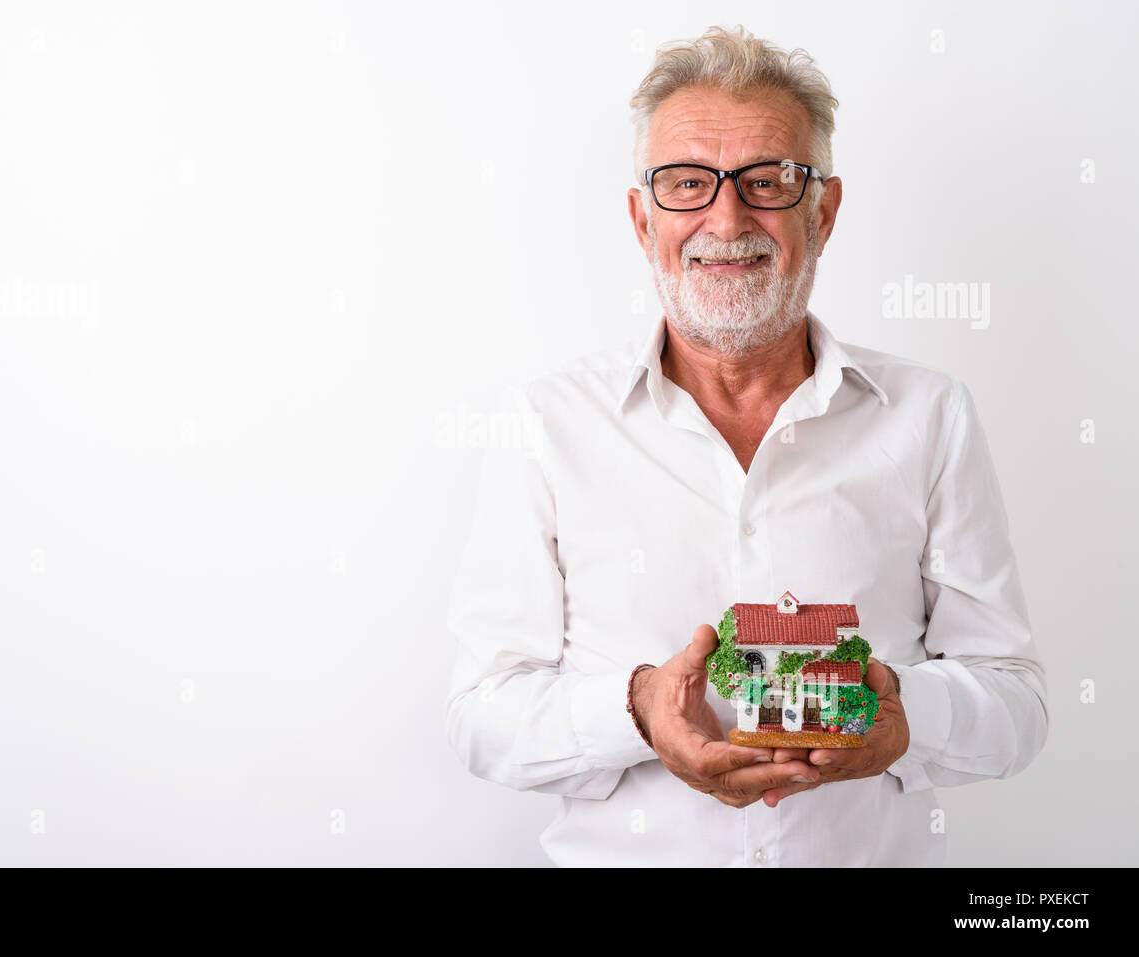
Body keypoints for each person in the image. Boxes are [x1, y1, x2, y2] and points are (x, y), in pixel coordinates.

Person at [443, 25, 1047, 866]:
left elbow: (1016, 705)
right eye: (687, 184)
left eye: (768, 181)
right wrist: (638, 709)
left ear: (824, 211)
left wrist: (904, 716)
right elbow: (480, 715)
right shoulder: (547, 424)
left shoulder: (930, 414)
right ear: (641, 216)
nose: (726, 219)